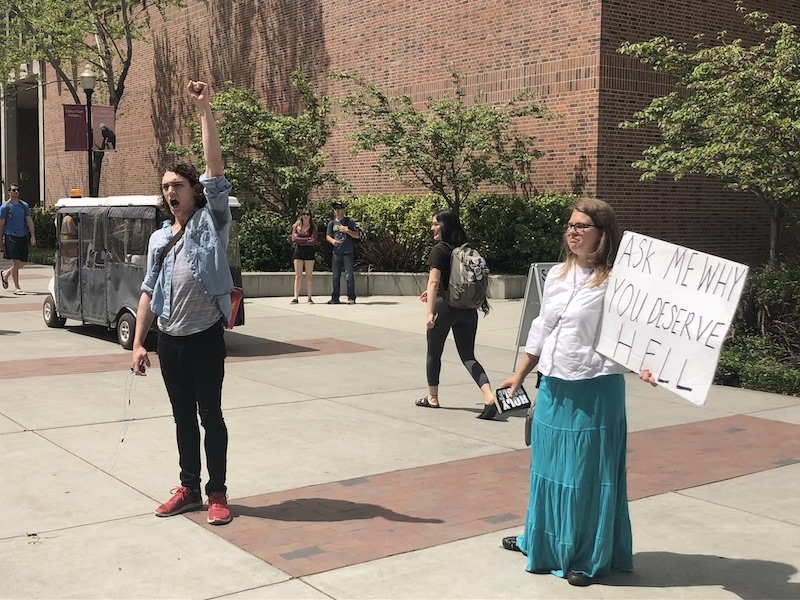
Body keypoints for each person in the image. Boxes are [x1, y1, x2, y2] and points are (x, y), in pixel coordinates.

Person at [498, 198, 656, 586]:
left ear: (602, 235)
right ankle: (540, 541)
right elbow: (542, 328)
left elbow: (635, 333)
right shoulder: (556, 276)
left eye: (582, 226)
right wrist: (519, 374)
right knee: (549, 471)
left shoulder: (618, 281)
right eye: (570, 225)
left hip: (595, 388)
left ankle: (587, 555)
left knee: (586, 475)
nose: (573, 231)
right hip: (553, 385)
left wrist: (651, 365)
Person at [131, 80, 234, 526]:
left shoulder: (213, 220)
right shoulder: (158, 237)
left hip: (205, 338)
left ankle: (217, 492)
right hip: (170, 341)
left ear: (193, 190)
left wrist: (205, 109)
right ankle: (189, 487)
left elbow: (214, 166)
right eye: (165, 186)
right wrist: (139, 343)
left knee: (211, 415)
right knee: (182, 418)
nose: (171, 192)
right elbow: (148, 291)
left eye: (178, 185)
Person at [414, 209, 498, 419]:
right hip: (468, 310)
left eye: (436, 224)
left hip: (446, 307)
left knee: (434, 352)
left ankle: (432, 397)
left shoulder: (439, 250)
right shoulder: (465, 249)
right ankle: (488, 396)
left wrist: (429, 313)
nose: (432, 228)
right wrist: (434, 292)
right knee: (468, 356)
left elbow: (434, 281)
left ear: (445, 226)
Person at [0, 184, 36, 295]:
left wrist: (33, 235)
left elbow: (29, 220)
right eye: (14, 190)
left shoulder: (23, 205)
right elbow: (1, 225)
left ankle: (6, 274)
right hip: (11, 235)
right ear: (9, 192)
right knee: (15, 261)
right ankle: (17, 287)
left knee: (23, 261)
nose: (16, 192)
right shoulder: (5, 207)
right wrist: (0, 240)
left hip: (23, 235)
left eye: (17, 190)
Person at [325, 200, 361, 304]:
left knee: (349, 275)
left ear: (343, 210)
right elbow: (328, 235)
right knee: (335, 276)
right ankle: (335, 297)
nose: (337, 210)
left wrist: (347, 231)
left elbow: (357, 235)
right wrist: (332, 241)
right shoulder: (332, 223)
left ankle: (351, 297)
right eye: (335, 208)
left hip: (347, 252)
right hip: (336, 253)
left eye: (339, 208)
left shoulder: (349, 222)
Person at [290, 207, 317, 304]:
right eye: (304, 214)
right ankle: (296, 297)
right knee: (298, 275)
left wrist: (302, 240)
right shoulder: (296, 226)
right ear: (301, 216)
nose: (306, 216)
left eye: (308, 214)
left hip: (309, 252)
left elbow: (313, 241)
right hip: (298, 251)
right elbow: (294, 239)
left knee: (309, 276)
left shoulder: (313, 227)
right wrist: (306, 239)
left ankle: (309, 297)